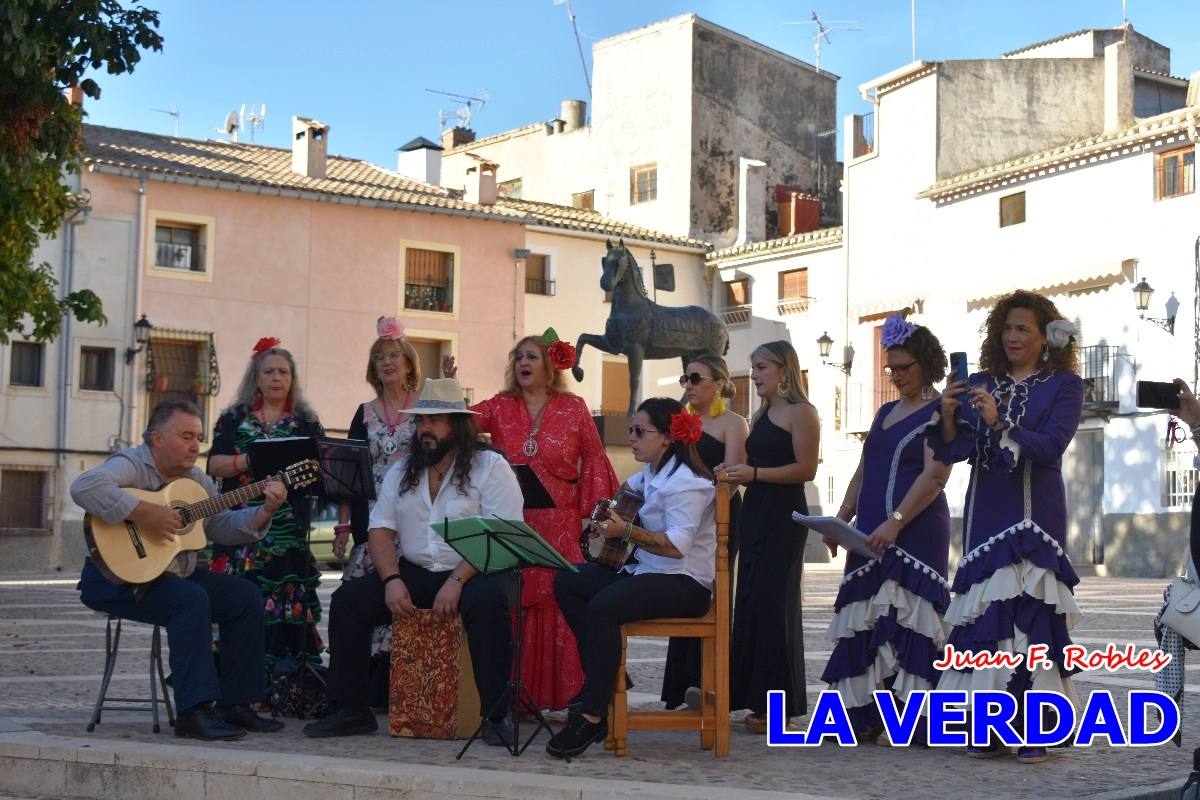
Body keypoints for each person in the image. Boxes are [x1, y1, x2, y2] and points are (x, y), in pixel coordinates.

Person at [303, 378, 521, 744]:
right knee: (349, 601)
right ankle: (350, 709)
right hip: (419, 571)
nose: (424, 430)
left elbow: (500, 533)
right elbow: (380, 530)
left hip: (479, 569)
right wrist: (391, 580)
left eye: (434, 422)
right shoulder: (403, 470)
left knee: (487, 603)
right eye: (420, 422)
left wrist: (458, 580)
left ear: (458, 424)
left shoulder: (491, 467)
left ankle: (496, 715)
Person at [926, 290, 1083, 764]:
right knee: (987, 621)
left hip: (1034, 515)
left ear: (1045, 338)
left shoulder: (1065, 386)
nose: (1013, 337)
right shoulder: (980, 381)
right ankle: (988, 728)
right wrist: (950, 415)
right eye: (1007, 328)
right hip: (985, 513)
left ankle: (1040, 730)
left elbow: (1051, 446)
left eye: (1023, 329)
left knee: (1032, 618)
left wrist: (1000, 423)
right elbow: (955, 453)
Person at [72, 400, 287, 741]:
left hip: (172, 573)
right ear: (157, 439)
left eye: (199, 437)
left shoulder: (195, 479)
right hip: (112, 577)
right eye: (186, 436)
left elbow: (219, 526)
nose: (194, 446)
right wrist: (145, 512)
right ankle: (194, 712)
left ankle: (236, 703)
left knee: (244, 596)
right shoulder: (131, 463)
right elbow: (83, 487)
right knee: (190, 600)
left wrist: (264, 511)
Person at [448, 331, 619, 711]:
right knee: (513, 602)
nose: (522, 363)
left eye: (531, 357)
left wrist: (592, 519)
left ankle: (570, 697)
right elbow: (459, 427)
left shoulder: (574, 407)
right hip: (515, 521)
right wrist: (451, 389)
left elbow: (594, 460)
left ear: (550, 365)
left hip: (561, 524)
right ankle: (511, 700)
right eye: (518, 357)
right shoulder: (500, 406)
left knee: (560, 602)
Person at [549, 397, 716, 758]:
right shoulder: (649, 475)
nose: (633, 438)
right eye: (631, 431)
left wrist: (625, 532)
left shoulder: (687, 484)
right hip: (649, 573)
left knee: (604, 607)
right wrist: (602, 520)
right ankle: (607, 678)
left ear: (668, 438)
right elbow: (624, 501)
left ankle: (594, 713)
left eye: (640, 432)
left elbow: (676, 546)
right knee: (568, 581)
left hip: (685, 583)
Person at [820, 315, 953, 739]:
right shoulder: (883, 412)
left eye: (905, 368)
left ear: (927, 365)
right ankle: (862, 718)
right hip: (868, 532)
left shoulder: (941, 412)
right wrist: (840, 517)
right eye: (891, 368)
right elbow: (866, 466)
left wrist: (895, 524)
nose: (896, 376)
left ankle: (917, 723)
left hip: (917, 531)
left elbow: (936, 475)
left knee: (911, 620)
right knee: (866, 618)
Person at [206, 338, 326, 691]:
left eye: (283, 372)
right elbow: (213, 464)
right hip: (237, 530)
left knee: (285, 605)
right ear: (255, 378)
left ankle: (283, 687)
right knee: (238, 602)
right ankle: (232, 687)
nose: (276, 378)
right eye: (268, 371)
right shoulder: (233, 419)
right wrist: (248, 461)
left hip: (287, 533)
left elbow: (320, 473)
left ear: (292, 379)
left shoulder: (305, 422)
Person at [721, 340, 819, 733]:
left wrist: (755, 475)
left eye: (761, 367)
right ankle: (755, 702)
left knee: (776, 604)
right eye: (753, 366)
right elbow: (750, 464)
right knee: (751, 601)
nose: (755, 374)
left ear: (783, 370)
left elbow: (806, 469)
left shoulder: (802, 412)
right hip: (757, 510)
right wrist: (733, 471)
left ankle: (781, 706)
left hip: (784, 513)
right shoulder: (761, 415)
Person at [335, 317, 423, 703]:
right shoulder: (364, 412)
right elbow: (346, 477)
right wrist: (342, 527)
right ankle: (364, 691)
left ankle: (404, 687)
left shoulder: (425, 407)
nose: (387, 362)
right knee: (361, 599)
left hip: (414, 519)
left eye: (394, 355)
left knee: (407, 600)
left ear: (408, 362)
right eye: (379, 358)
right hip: (371, 521)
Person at [661, 354, 747, 710]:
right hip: (684, 517)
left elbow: (732, 476)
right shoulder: (681, 422)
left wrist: (710, 509)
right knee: (678, 586)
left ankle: (708, 682)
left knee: (713, 592)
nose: (690, 385)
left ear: (720, 383)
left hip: (718, 516)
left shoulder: (733, 423)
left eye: (696, 378)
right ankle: (681, 684)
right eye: (685, 379)